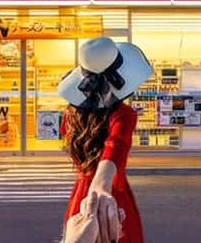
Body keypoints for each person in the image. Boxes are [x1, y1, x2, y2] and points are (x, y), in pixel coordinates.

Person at [58, 37, 153, 243]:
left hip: (81, 195)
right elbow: (115, 147)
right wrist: (101, 185)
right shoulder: (123, 114)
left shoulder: (70, 116)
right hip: (111, 196)